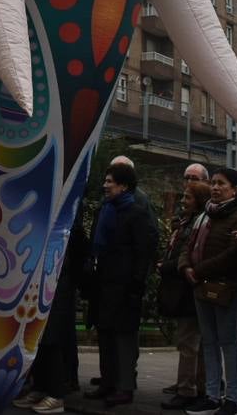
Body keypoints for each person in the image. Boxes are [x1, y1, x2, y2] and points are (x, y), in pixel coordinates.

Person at [84, 161, 158, 408]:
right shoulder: (105, 209)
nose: (105, 186)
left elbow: (144, 251)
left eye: (110, 182)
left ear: (124, 186)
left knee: (123, 339)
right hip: (103, 284)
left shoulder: (137, 213)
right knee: (105, 334)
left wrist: (137, 284)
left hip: (125, 286)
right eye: (105, 181)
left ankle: (125, 387)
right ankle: (108, 381)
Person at [180, 168, 237, 415]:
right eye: (214, 183)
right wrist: (185, 266)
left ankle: (232, 399)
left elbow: (234, 253)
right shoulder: (205, 214)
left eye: (222, 184)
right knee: (208, 342)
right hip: (200, 286)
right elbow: (189, 243)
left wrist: (199, 270)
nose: (216, 188)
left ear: (235, 189)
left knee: (228, 342)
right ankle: (212, 396)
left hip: (224, 288)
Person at [15, 200, 87, 415]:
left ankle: (56, 393)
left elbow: (77, 254)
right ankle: (40, 387)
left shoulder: (70, 223)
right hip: (39, 280)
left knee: (50, 339)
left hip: (57, 284)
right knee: (37, 337)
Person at [160, 180, 211, 411]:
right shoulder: (187, 222)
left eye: (187, 197)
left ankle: (187, 388)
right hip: (183, 288)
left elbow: (187, 253)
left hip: (189, 289)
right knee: (191, 341)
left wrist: (168, 266)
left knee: (189, 342)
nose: (183, 201)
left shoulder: (197, 224)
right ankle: (196, 386)